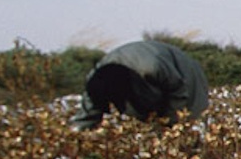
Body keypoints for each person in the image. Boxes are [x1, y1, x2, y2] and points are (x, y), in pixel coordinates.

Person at [72, 39, 209, 131]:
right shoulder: (96, 80)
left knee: (189, 125)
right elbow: (89, 110)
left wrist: (168, 124)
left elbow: (179, 91)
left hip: (185, 74)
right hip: (140, 78)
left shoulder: (151, 67)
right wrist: (77, 135)